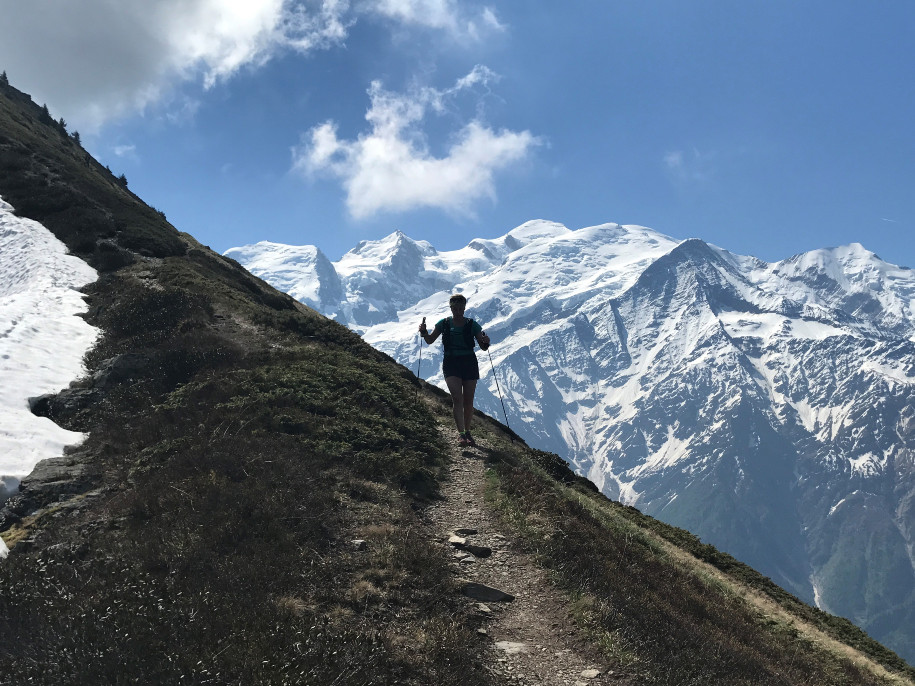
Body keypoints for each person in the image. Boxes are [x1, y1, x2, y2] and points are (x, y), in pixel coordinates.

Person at [419, 294, 490, 446]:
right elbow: (430, 340)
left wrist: (486, 343)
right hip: (451, 363)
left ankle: (467, 432)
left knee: (468, 400)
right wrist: (424, 333)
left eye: (460, 309)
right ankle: (462, 433)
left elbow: (483, 346)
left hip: (468, 362)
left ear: (464, 308)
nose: (458, 311)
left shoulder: (472, 325)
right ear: (451, 308)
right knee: (457, 398)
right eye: (455, 309)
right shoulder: (444, 323)